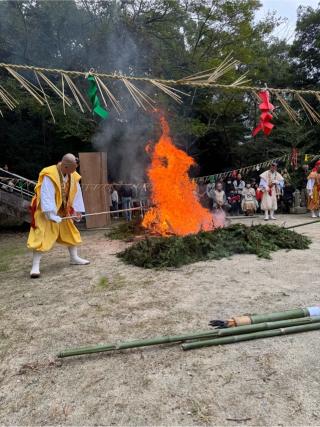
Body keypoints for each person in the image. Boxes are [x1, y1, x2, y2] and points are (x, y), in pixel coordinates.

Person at [27, 153, 89, 278]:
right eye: (72, 169)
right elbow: (46, 195)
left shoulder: (73, 175)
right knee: (41, 234)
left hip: (63, 209)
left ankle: (74, 258)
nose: (74, 172)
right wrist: (51, 215)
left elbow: (76, 194)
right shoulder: (50, 175)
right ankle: (35, 266)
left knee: (70, 232)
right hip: (46, 210)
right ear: (65, 166)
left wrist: (77, 212)